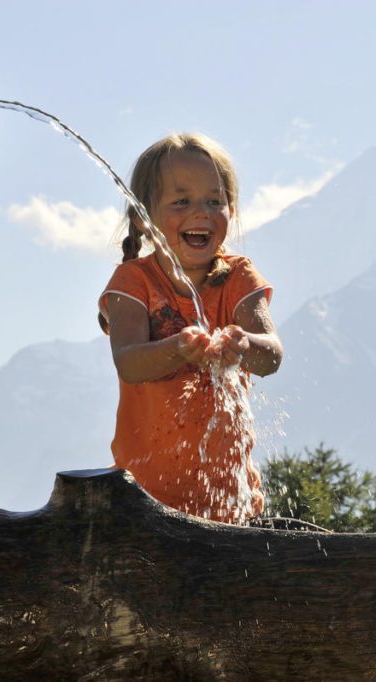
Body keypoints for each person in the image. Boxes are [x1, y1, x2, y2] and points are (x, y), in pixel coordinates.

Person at [98, 133, 283, 523]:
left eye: (214, 201)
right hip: (145, 501)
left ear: (231, 211)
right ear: (142, 218)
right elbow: (129, 362)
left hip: (230, 500)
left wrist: (243, 344)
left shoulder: (237, 277)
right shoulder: (133, 282)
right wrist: (178, 349)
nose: (201, 212)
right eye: (181, 201)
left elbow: (271, 356)